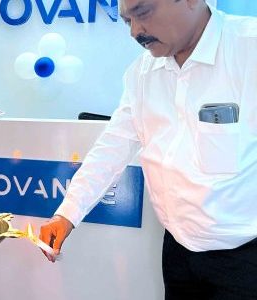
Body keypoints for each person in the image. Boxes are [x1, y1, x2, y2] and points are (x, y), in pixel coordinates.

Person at [40, 0, 257, 299]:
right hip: (179, 251)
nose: (135, 32)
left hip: (245, 260)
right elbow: (112, 147)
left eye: (142, 13)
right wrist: (66, 214)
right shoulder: (142, 73)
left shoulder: (249, 49)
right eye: (127, 21)